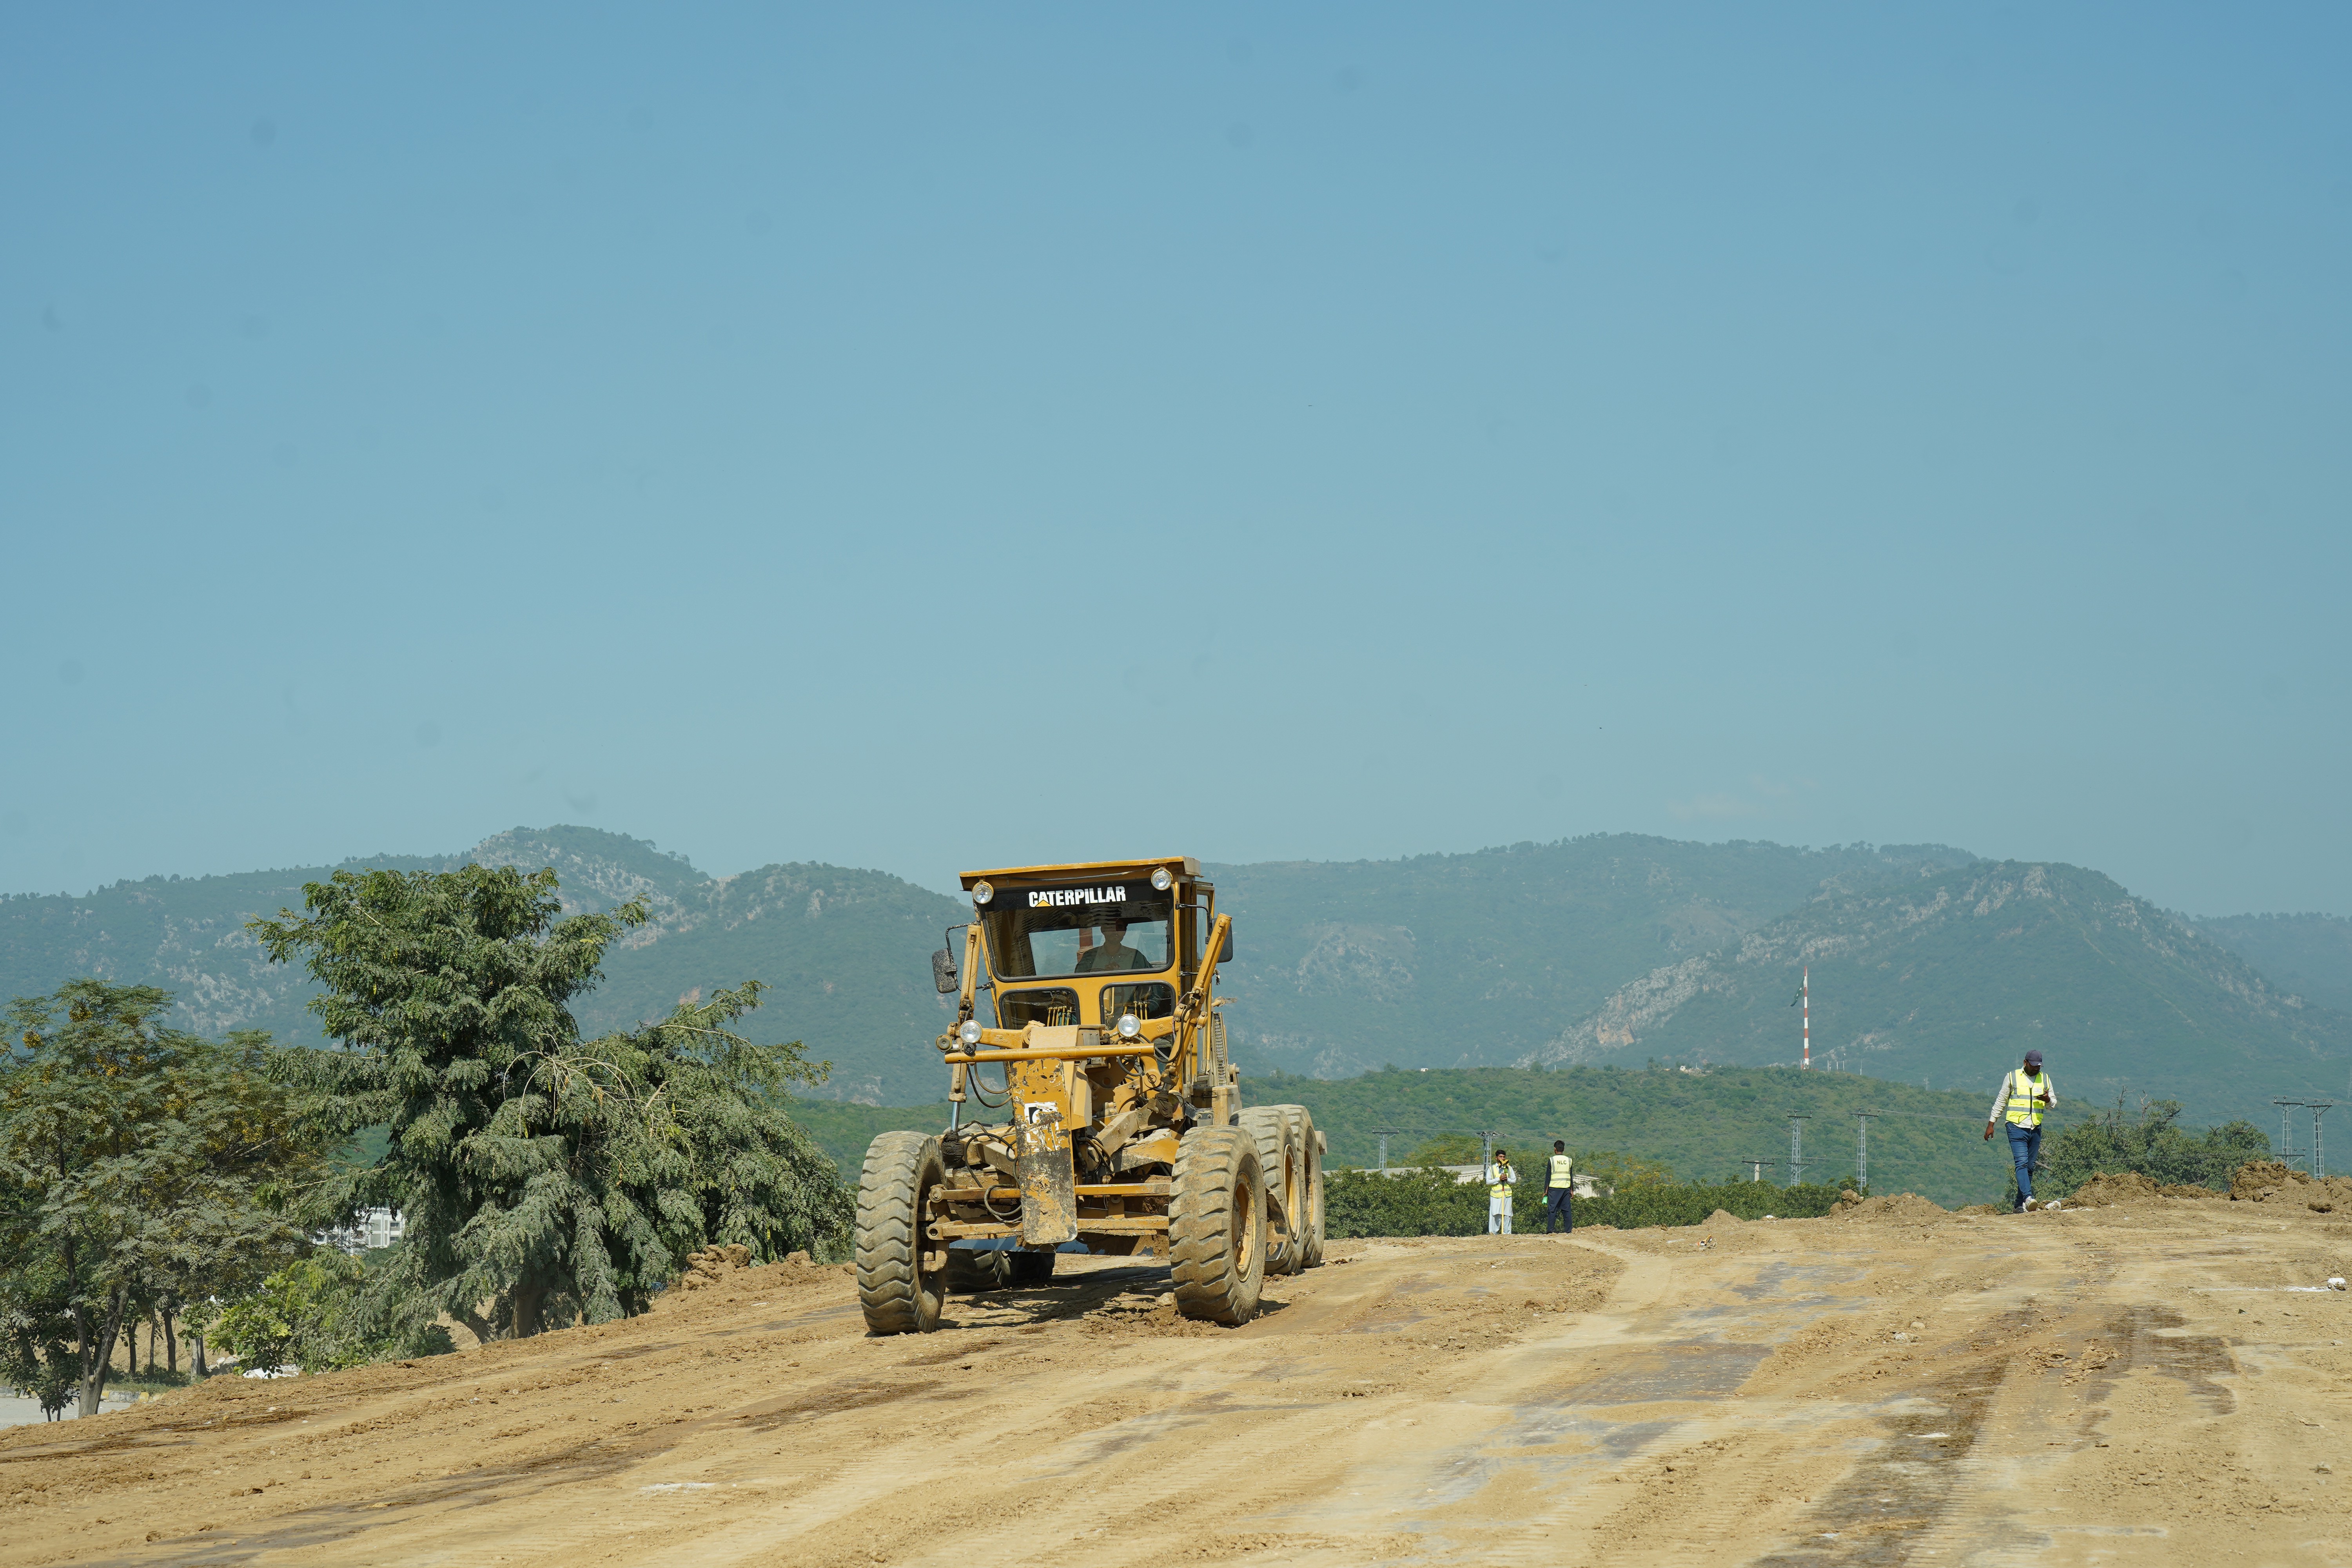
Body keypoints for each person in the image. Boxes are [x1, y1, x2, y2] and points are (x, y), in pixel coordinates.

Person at [1984, 1049, 2056, 1212]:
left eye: (2039, 1066)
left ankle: (2019, 1205)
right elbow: (2001, 1100)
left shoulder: (2045, 1079)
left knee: (2030, 1166)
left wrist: (2048, 1100)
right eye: (2033, 1066)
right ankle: (2029, 1197)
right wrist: (1991, 1124)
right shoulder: (2012, 1077)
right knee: (2022, 1163)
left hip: (2035, 1127)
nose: (2037, 1069)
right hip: (2016, 1126)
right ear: (2025, 1063)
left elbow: (2053, 1104)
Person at [1075, 918, 1148, 973]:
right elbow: (1078, 983)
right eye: (1111, 927)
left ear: (1125, 931)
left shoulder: (1135, 957)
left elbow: (1149, 986)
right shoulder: (1090, 957)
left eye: (1119, 927)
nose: (1115, 931)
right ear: (1103, 930)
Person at [1544, 1141, 1575, 1233]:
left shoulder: (1552, 1160)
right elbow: (1571, 1176)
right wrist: (1572, 1190)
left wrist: (1545, 1192)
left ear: (1555, 1150)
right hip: (1566, 1188)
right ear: (1564, 1149)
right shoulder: (1569, 1160)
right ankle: (1569, 1231)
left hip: (1554, 1189)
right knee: (1567, 1210)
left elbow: (1548, 1177)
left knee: (1552, 1210)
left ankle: (1551, 1230)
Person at [1486, 1148, 1515, 1235]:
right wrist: (1498, 1179)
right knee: (1496, 1215)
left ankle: (1507, 1234)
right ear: (1497, 1158)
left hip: (1507, 1195)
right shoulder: (1492, 1169)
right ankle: (1494, 1233)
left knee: (1507, 1215)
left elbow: (1514, 1181)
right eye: (1501, 1157)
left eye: (1504, 1157)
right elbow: (1488, 1182)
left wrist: (1508, 1179)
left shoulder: (1509, 1168)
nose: (1502, 1159)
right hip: (1496, 1195)